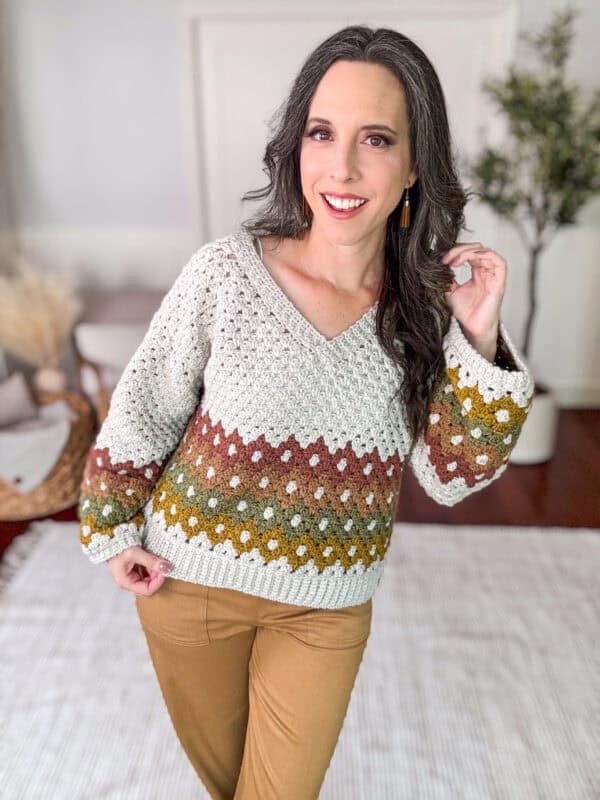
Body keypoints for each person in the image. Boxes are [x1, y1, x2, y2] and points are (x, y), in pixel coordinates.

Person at [77, 24, 534, 800]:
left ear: (414, 164)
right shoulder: (225, 275)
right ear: (297, 145)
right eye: (322, 132)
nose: (343, 166)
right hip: (189, 586)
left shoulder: (426, 310)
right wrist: (111, 527)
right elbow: (147, 404)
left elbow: (450, 476)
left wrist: (480, 333)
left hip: (324, 610)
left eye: (377, 138)